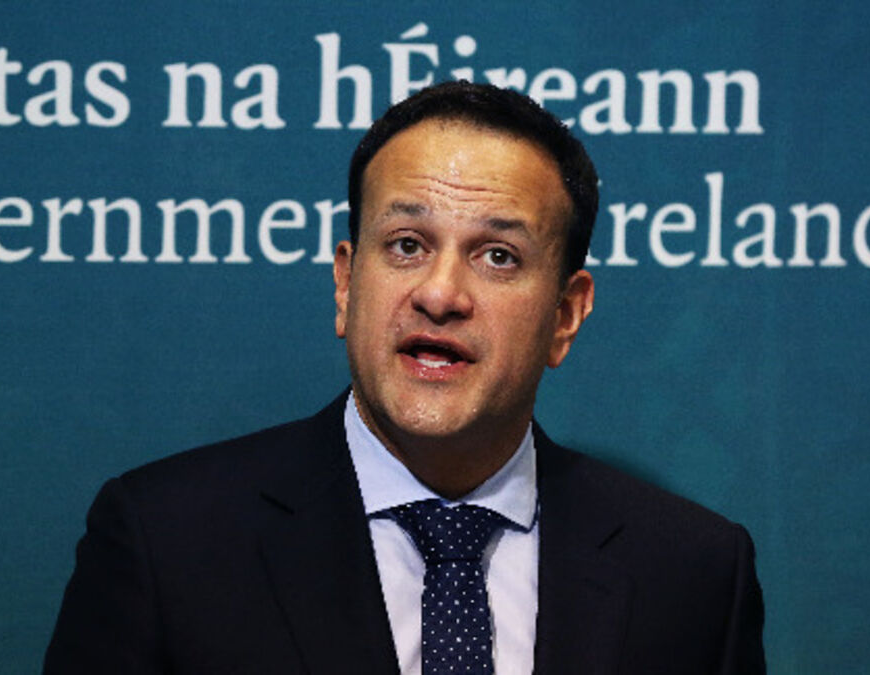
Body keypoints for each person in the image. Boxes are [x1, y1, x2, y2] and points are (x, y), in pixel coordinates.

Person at [44, 81, 766, 674]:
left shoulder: (694, 573)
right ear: (346, 283)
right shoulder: (166, 541)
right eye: (407, 244)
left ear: (565, 315)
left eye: (499, 256)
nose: (440, 294)